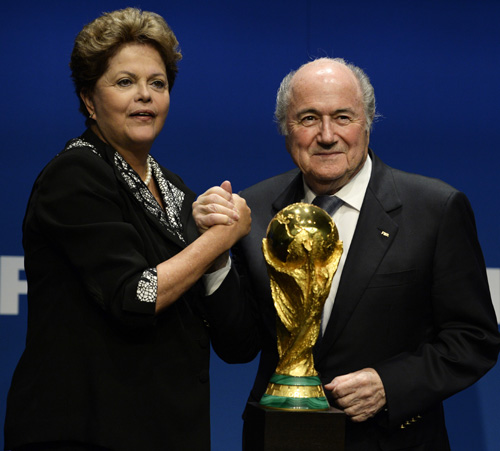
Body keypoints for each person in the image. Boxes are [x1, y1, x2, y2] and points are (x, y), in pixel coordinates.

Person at [194, 57, 500, 450]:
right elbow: (239, 348)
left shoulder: (435, 209)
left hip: (389, 440)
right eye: (308, 118)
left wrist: (389, 385)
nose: (327, 135)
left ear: (368, 122)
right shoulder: (253, 211)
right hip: (279, 438)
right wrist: (215, 255)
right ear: (286, 129)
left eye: (343, 117)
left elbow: (474, 339)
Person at [4, 8, 250, 451]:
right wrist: (221, 236)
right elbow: (134, 296)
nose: (145, 96)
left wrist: (216, 256)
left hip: (170, 431)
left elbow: (238, 343)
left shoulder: (175, 191)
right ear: (88, 101)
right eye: (124, 82)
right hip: (86, 433)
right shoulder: (75, 174)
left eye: (157, 83)